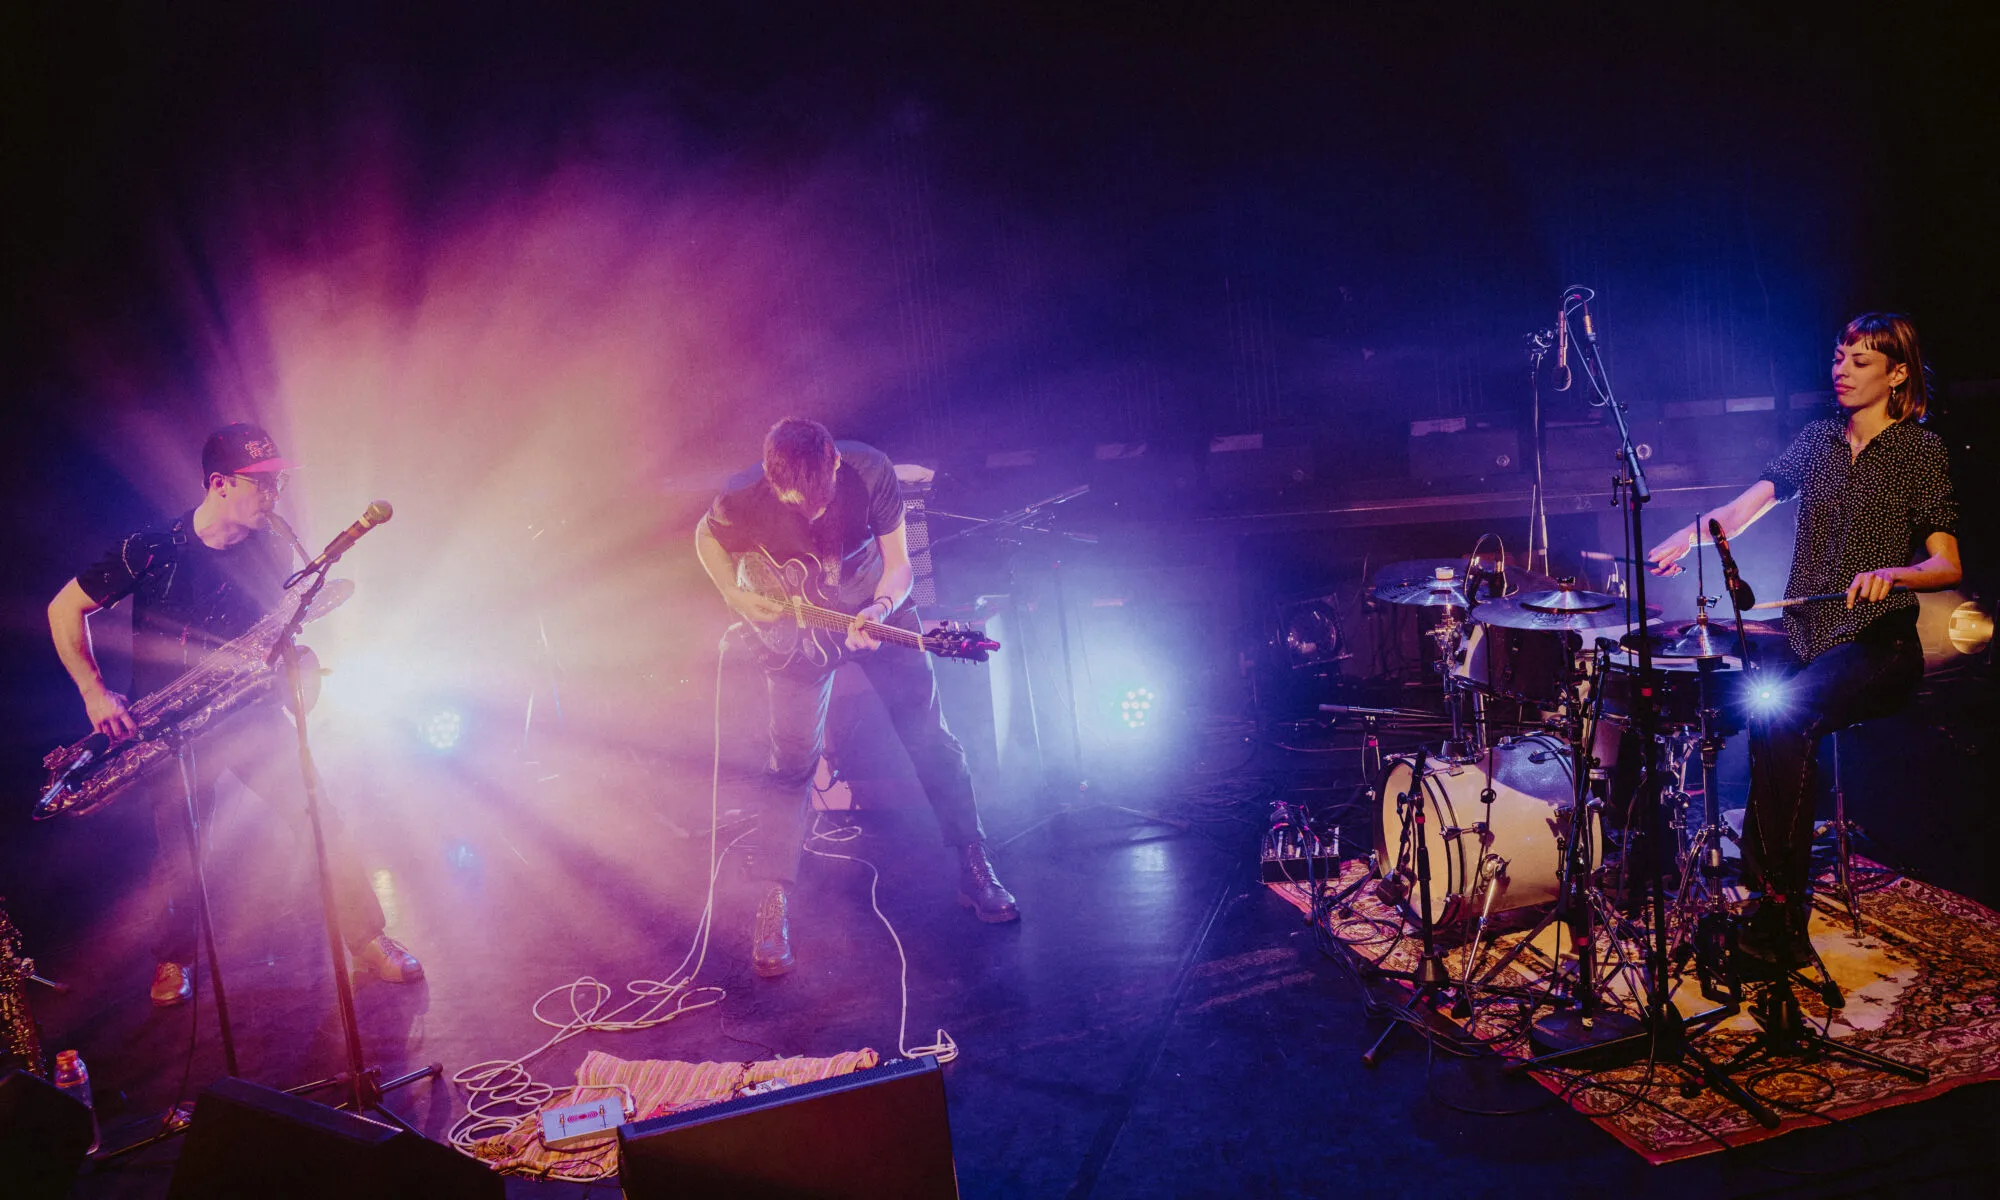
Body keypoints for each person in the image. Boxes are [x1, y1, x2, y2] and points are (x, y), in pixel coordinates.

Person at [46, 423, 423, 1006]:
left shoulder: (271, 546)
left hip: (249, 716)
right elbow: (64, 607)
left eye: (278, 482)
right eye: (261, 484)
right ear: (219, 484)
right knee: (183, 860)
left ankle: (369, 941)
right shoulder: (150, 548)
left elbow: (278, 627)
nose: (274, 495)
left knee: (318, 818)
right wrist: (96, 694)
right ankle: (173, 959)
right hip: (171, 730)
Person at [1648, 313, 1961, 970]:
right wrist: (1689, 533)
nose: (1841, 369)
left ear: (1897, 373)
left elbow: (1946, 564)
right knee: (1734, 705)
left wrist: (1892, 572)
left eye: (1860, 361)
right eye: (1838, 356)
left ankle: (1777, 918)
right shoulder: (1816, 442)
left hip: (1877, 648)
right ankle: (1716, 881)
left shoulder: (1919, 453)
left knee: (1784, 721)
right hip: (1806, 639)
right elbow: (1737, 512)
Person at [695, 418, 1019, 977]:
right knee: (792, 764)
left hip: (876, 610)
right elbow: (706, 536)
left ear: (835, 466)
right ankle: (773, 904)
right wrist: (734, 595)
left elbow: (900, 567)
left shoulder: (870, 470)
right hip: (796, 633)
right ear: (773, 482)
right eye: (803, 504)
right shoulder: (742, 493)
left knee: (930, 738)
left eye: (823, 498)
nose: (817, 514)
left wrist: (880, 609)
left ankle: (974, 865)